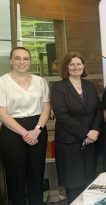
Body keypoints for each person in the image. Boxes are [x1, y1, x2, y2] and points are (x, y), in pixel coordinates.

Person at [0, 47, 50, 205]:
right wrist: (25, 133)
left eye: (26, 58)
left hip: (38, 129)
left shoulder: (40, 81)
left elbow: (46, 108)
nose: (22, 62)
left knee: (36, 175)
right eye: (17, 58)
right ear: (11, 60)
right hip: (12, 131)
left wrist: (36, 131)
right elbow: (2, 113)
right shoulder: (2, 82)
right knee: (16, 178)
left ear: (30, 60)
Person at [51, 51, 102, 203]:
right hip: (69, 144)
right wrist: (86, 133)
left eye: (79, 64)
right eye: (72, 64)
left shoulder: (89, 86)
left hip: (90, 143)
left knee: (89, 182)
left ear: (83, 66)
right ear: (67, 67)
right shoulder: (58, 88)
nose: (75, 67)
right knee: (73, 185)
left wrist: (95, 130)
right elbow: (62, 115)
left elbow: (98, 111)